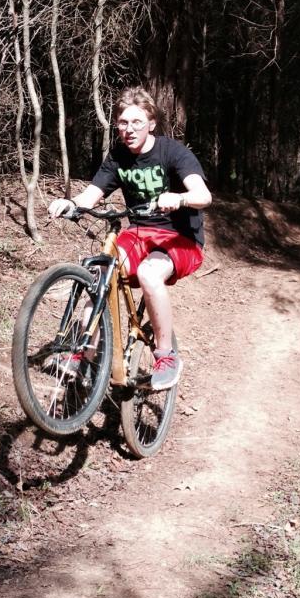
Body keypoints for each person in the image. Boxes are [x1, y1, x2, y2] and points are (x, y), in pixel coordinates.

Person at [48, 87, 212, 391]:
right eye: (123, 122)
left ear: (151, 123)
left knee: (150, 273)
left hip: (181, 239)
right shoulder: (119, 156)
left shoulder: (173, 152)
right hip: (139, 235)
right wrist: (72, 204)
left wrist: (179, 197)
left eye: (137, 122)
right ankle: (84, 354)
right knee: (98, 275)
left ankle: (166, 355)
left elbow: (203, 196)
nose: (129, 129)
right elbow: (92, 194)